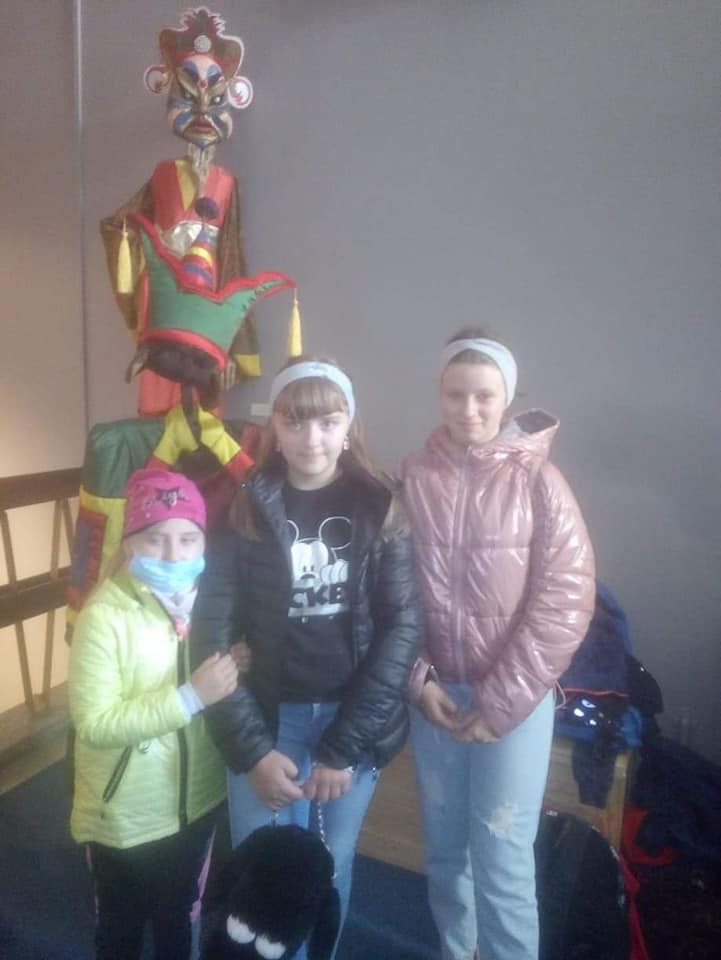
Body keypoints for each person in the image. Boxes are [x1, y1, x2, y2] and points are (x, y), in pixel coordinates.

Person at [190, 355, 422, 958]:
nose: (310, 438)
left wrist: (343, 748)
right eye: (294, 421)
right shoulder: (244, 506)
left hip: (351, 723)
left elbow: (403, 628)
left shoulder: (381, 506)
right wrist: (251, 751)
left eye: (326, 422)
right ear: (275, 426)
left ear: (349, 427)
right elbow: (210, 631)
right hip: (268, 719)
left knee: (327, 866)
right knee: (259, 871)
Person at [402, 329, 596, 960]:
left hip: (514, 705)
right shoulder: (414, 477)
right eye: (455, 395)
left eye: (483, 396)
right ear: (439, 394)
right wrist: (418, 679)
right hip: (436, 701)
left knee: (503, 857)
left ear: (507, 397)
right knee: (445, 852)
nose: (469, 410)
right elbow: (390, 592)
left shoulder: (541, 482)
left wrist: (500, 703)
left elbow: (565, 600)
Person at [69, 467, 242, 960]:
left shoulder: (212, 605)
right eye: (155, 539)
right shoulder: (103, 617)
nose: (174, 554)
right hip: (125, 814)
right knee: (120, 927)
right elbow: (95, 722)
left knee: (178, 920)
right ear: (129, 544)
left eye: (188, 539)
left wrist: (236, 665)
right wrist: (189, 697)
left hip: (196, 803)